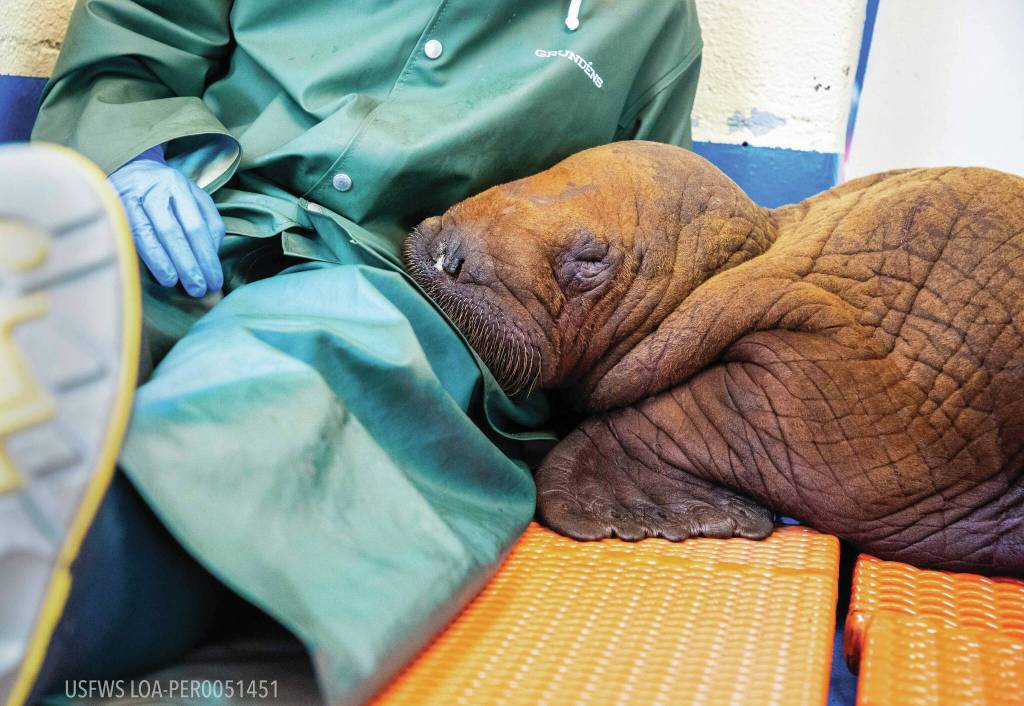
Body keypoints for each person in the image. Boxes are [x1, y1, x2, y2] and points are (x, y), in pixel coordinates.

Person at [3, 1, 702, 702]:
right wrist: (135, 158)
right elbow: (138, 36)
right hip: (205, 215)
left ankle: (77, 597)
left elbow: (654, 251)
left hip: (410, 291)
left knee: (284, 370)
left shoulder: (645, 22)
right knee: (66, 301)